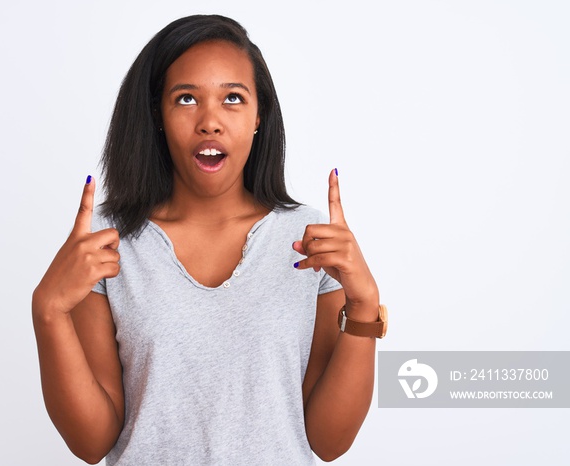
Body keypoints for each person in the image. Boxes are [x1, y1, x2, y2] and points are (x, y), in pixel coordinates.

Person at [32, 14, 386, 465]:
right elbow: (92, 441)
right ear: (157, 115)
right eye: (185, 99)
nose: (210, 122)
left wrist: (363, 307)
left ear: (260, 116)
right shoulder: (107, 244)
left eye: (233, 98)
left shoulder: (310, 243)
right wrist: (48, 311)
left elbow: (328, 441)